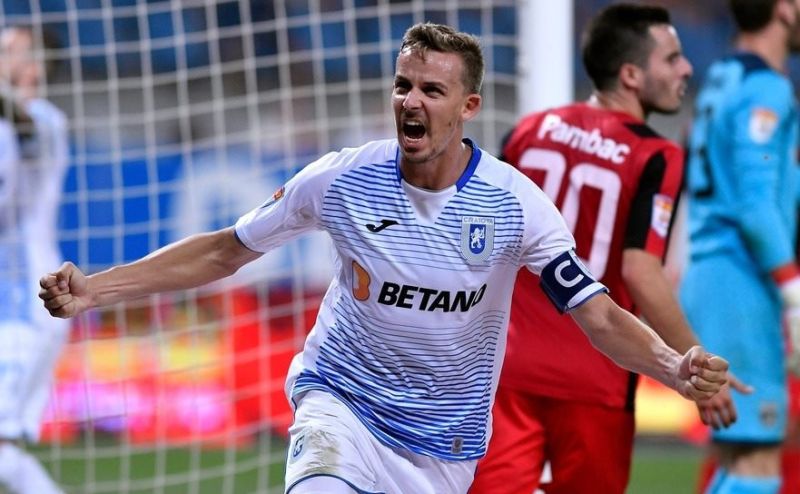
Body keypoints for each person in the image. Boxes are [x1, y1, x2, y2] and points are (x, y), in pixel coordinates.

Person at [39, 22, 729, 494]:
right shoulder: (342, 178)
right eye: (403, 86)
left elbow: (597, 314)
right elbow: (225, 250)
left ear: (468, 105)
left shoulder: (514, 204)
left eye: (431, 90)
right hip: (341, 405)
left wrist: (673, 366)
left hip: (443, 449)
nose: (411, 102)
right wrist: (97, 289)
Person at [469, 5, 746, 494]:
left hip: (506, 369)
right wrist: (695, 362)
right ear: (631, 75)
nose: (687, 69)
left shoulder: (530, 130)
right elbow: (641, 272)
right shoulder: (656, 155)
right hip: (597, 373)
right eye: (672, 58)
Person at [680, 0, 800, 492]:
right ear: (784, 8)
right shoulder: (766, 87)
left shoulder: (721, 77)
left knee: (735, 456)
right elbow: (755, 205)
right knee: (758, 459)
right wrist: (792, 288)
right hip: (742, 283)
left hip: (711, 274)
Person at [0, 25, 69, 494]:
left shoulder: (44, 121)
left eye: (10, 50)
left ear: (34, 67)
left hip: (28, 304)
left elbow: (21, 123)